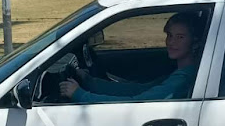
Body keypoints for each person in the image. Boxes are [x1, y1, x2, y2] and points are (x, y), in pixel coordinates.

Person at [59, 11, 205, 103]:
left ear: (196, 41)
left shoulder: (184, 79)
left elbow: (137, 102)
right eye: (169, 35)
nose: (171, 42)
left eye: (180, 37)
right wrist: (89, 81)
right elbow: (138, 90)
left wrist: (80, 95)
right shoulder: (183, 72)